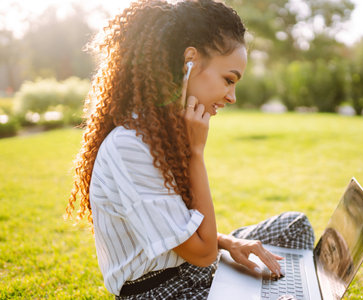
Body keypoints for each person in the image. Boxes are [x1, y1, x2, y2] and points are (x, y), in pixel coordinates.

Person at [67, 0, 315, 299]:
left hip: (194, 272)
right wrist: (196, 153)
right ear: (190, 61)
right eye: (229, 80)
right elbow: (202, 253)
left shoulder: (161, 132)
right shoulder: (128, 147)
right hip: (163, 291)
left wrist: (230, 243)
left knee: (295, 226)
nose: (232, 96)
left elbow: (191, 238)